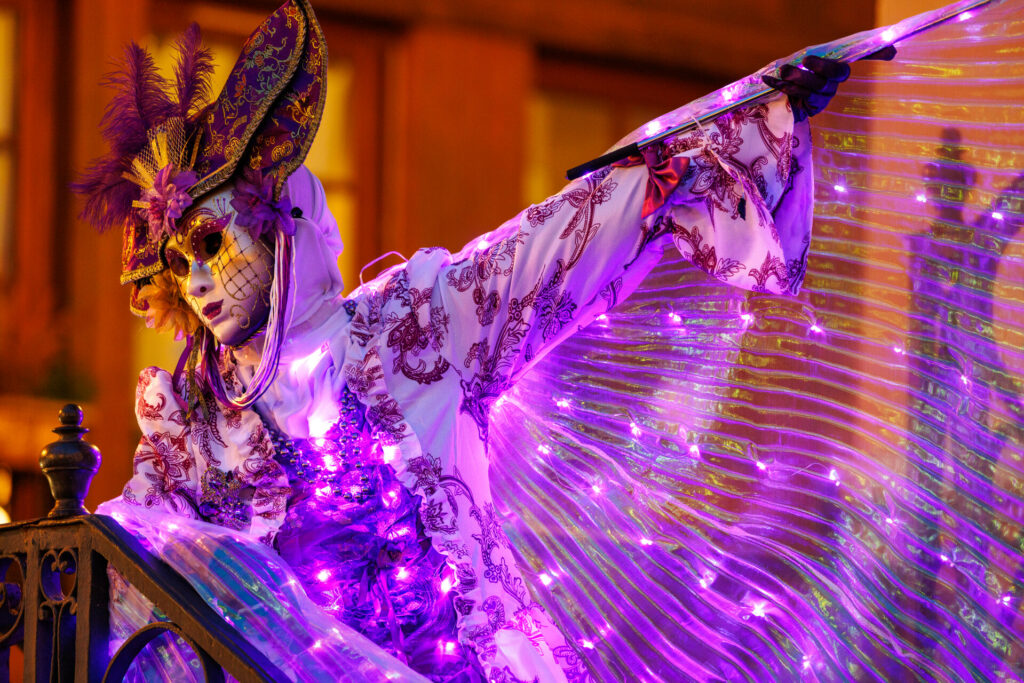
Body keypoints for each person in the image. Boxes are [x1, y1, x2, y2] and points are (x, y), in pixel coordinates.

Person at [73, 0, 865, 680]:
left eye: (214, 243)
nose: (200, 281)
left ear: (291, 229)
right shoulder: (194, 430)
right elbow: (123, 587)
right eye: (179, 262)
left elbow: (558, 244)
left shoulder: (415, 325)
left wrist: (742, 120)